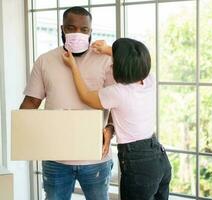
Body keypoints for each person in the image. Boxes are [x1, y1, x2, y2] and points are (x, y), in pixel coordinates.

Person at [20, 6, 114, 200]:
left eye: (84, 30)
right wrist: (22, 137)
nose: (78, 33)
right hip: (56, 158)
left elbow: (117, 101)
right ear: (61, 29)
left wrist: (110, 128)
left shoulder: (105, 61)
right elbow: (31, 101)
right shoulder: (45, 61)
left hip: (96, 158)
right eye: (71, 28)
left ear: (90, 32)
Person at [62, 38, 172, 200]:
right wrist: (107, 49)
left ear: (119, 67)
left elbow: (85, 96)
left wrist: (73, 66)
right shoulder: (149, 80)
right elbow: (134, 61)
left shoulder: (117, 92)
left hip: (138, 166)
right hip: (160, 159)